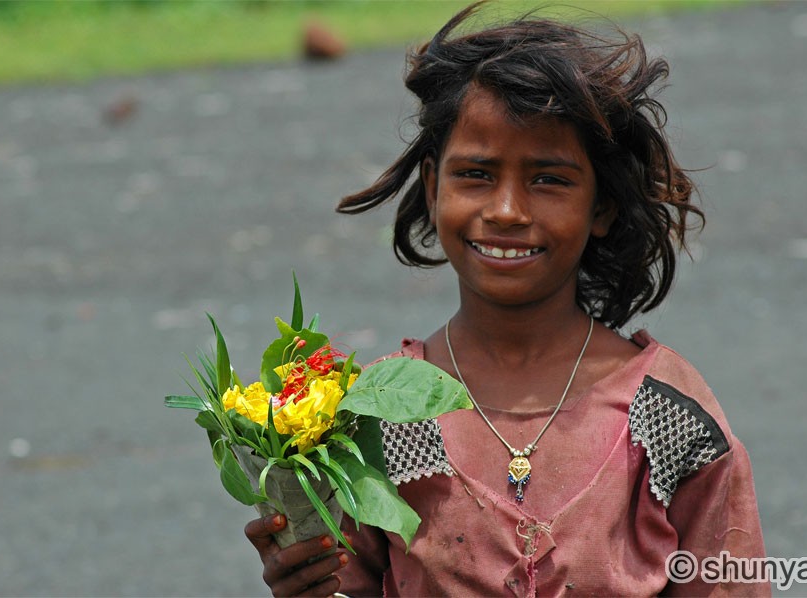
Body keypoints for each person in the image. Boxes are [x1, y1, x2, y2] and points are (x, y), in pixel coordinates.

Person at [244, 2, 767, 596]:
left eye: (549, 179)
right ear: (435, 187)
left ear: (602, 206)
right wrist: (305, 578)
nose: (508, 211)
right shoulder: (374, 417)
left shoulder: (668, 417)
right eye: (477, 174)